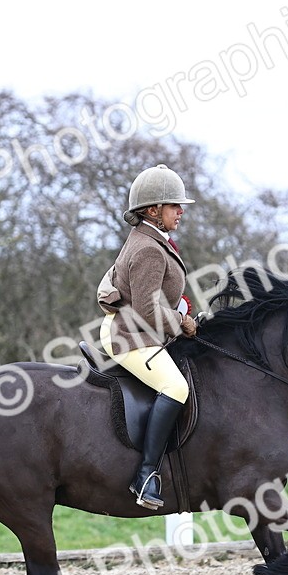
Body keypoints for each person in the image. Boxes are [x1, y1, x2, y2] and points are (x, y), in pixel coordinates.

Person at [96, 164, 198, 510]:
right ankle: (145, 476)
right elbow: (145, 308)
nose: (181, 211)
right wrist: (181, 321)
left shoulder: (152, 239)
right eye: (174, 206)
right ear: (153, 210)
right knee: (176, 387)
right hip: (128, 335)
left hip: (139, 329)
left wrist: (180, 306)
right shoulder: (149, 249)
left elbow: (157, 297)